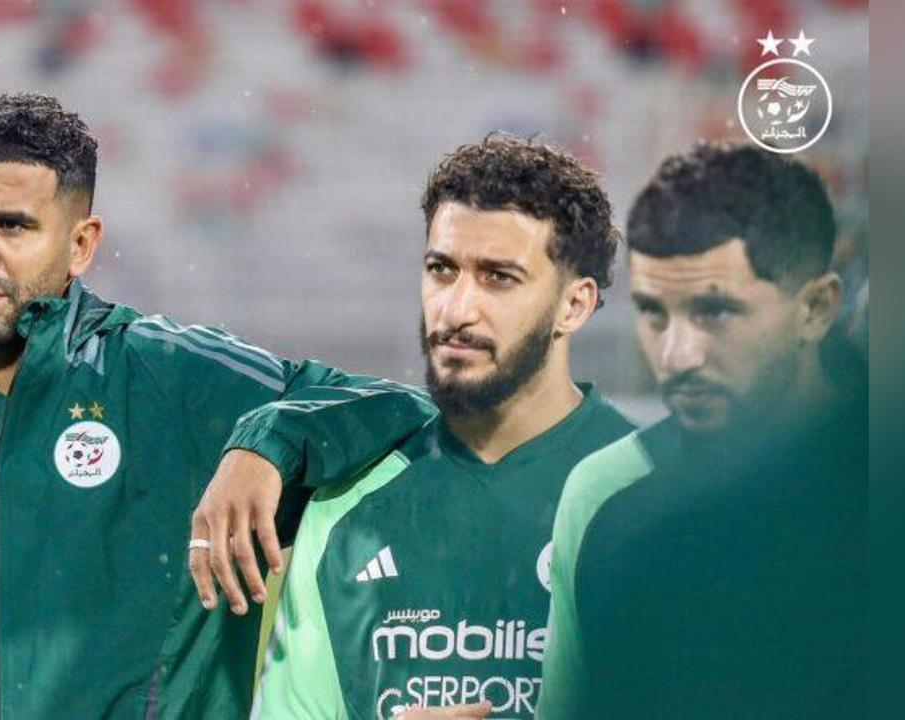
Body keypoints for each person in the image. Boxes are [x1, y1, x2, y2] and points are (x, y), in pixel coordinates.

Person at [0, 92, 434, 719]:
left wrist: (267, 442)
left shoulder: (176, 381)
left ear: (81, 244)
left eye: (11, 226)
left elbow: (409, 415)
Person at [211, 134, 634, 719]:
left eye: (499, 277)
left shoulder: (654, 490)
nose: (456, 310)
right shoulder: (346, 505)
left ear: (574, 305)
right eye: (442, 269)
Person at [537, 141, 866, 719]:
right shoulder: (605, 494)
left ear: (816, 309)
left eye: (715, 312)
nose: (678, 355)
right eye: (653, 312)